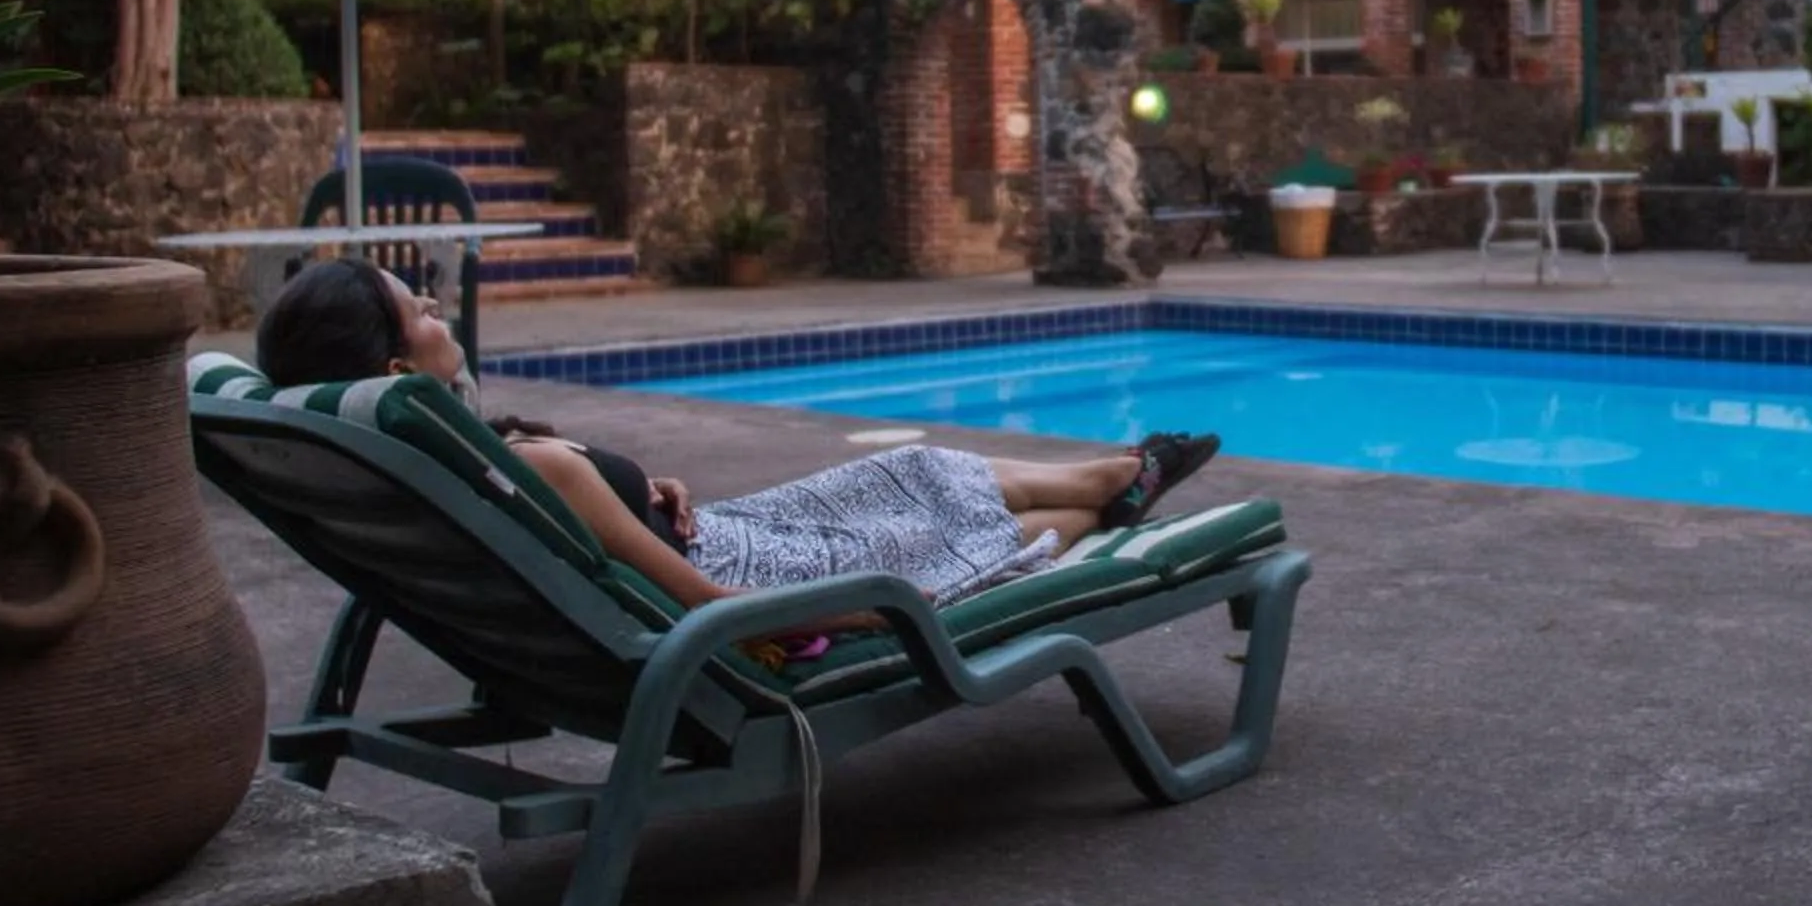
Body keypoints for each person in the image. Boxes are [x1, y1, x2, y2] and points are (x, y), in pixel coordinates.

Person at [253, 258, 1218, 625]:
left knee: (912, 472)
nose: (431, 302)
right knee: (930, 502)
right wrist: (878, 617)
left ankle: (1114, 481)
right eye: (411, 307)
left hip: (721, 533)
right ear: (390, 370)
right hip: (761, 577)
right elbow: (703, 604)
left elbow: (603, 542)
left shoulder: (458, 469)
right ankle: (1116, 481)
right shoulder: (529, 468)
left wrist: (638, 491)